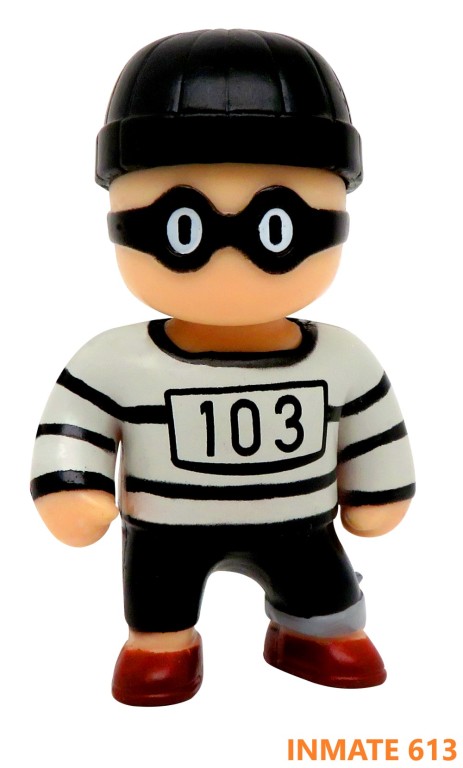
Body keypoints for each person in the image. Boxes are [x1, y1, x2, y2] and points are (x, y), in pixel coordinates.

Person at [31, 29, 415, 706]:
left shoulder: (341, 358)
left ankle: (316, 630)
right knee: (159, 598)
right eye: (183, 227)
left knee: (323, 591)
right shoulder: (116, 361)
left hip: (302, 525)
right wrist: (72, 487)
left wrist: (381, 492)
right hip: (165, 530)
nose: (228, 257)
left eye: (277, 228)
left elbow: (373, 432)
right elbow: (74, 427)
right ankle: (161, 642)